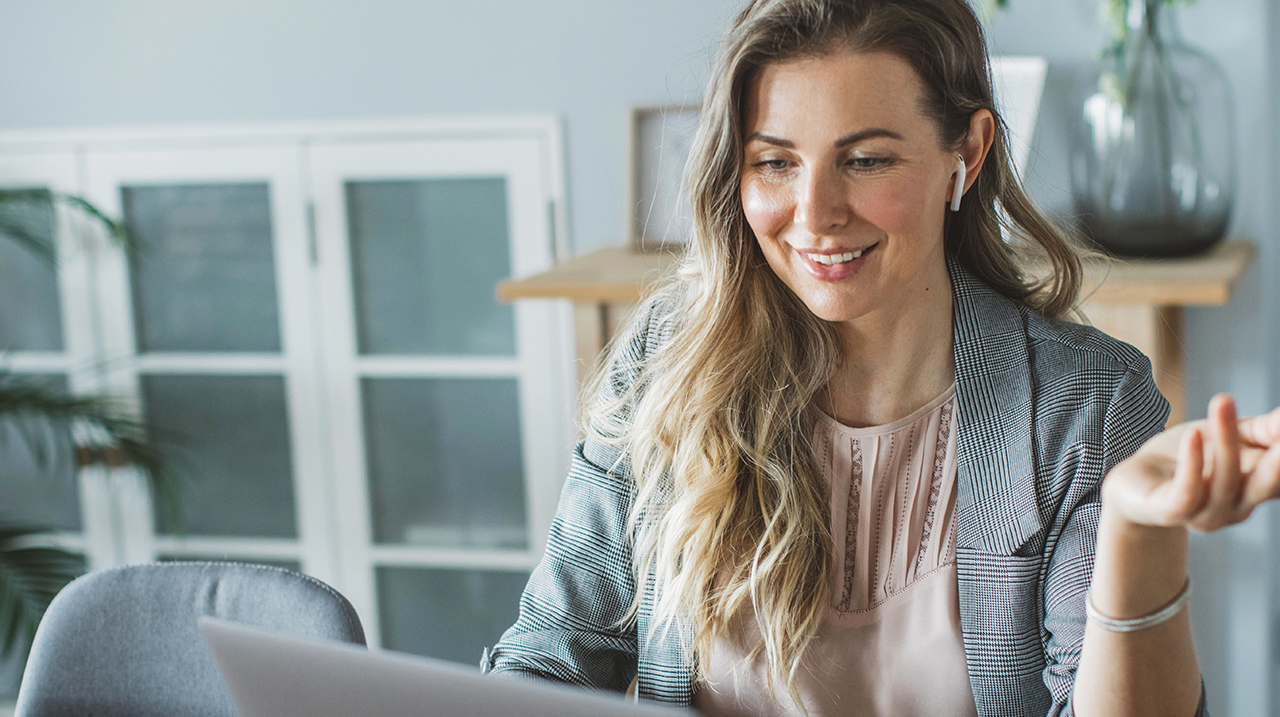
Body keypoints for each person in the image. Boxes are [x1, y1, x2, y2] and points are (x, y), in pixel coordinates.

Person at [482, 0, 1280, 715]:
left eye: (865, 160)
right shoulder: (668, 358)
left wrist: (1137, 533)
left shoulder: (1086, 405)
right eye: (774, 161)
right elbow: (549, 656)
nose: (814, 214)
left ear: (966, 152)